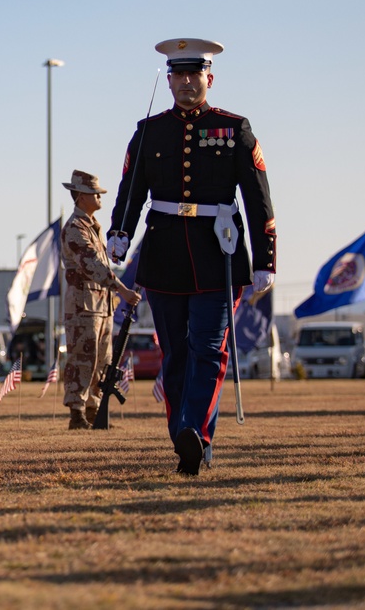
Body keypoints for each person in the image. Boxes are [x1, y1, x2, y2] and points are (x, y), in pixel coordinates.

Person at [108, 38, 276, 476]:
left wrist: (265, 259)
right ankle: (189, 438)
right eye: (178, 75)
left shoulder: (234, 128)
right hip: (164, 254)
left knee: (208, 348)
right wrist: (120, 232)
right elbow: (131, 189)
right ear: (168, 82)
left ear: (209, 78)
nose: (186, 82)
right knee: (177, 355)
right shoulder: (148, 131)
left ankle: (194, 433)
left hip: (217, 253)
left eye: (194, 74)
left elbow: (258, 199)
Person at [60, 170, 141, 429]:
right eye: (95, 193)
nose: (99, 196)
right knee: (82, 359)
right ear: (81, 196)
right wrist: (123, 289)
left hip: (101, 307)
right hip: (83, 307)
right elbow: (94, 266)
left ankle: (94, 410)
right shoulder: (75, 228)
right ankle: (77, 413)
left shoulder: (93, 227)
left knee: (102, 361)